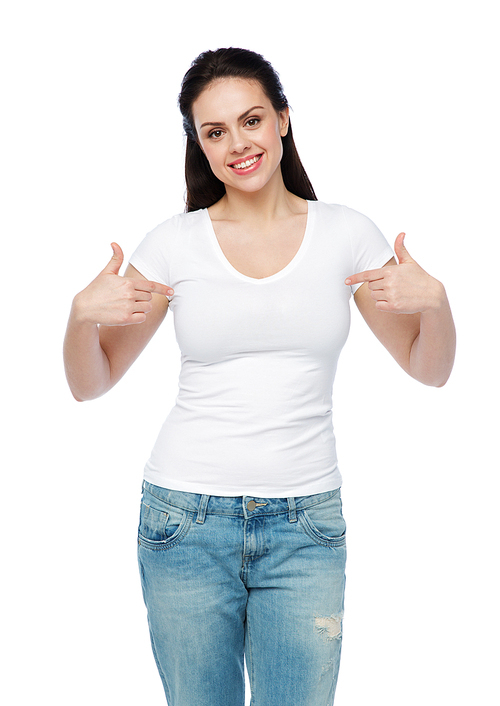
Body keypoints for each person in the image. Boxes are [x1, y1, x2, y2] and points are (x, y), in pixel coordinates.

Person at [63, 47, 456, 706]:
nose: (237, 144)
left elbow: (429, 369)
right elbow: (90, 382)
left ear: (282, 120)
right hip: (184, 523)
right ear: (199, 144)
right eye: (214, 131)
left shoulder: (347, 235)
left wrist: (437, 303)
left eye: (251, 120)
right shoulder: (172, 244)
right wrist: (80, 318)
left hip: (306, 530)